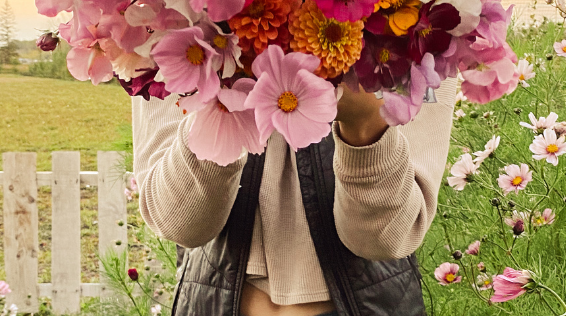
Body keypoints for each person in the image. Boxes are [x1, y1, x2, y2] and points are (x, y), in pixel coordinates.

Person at [132, 77, 457, 316]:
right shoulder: (171, 9)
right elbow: (177, 221)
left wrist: (366, 125)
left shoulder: (421, 15)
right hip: (213, 303)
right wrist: (224, 101)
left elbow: (386, 239)